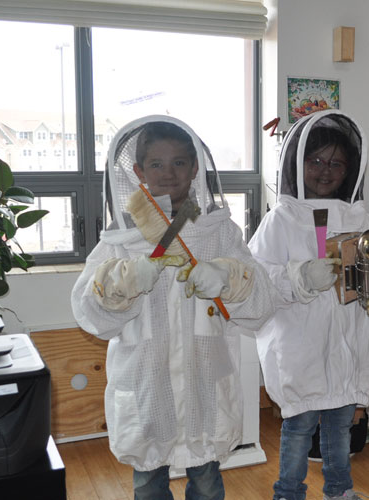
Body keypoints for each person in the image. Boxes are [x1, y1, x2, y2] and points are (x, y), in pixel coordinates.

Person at [70, 116, 275, 500]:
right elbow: (89, 313)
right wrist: (122, 281)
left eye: (179, 163)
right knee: (149, 483)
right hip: (148, 384)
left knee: (208, 481)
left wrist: (228, 277)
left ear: (195, 168)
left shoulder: (219, 231)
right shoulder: (123, 238)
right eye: (156, 164)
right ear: (137, 171)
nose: (169, 173)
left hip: (205, 380)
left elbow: (261, 303)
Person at [247, 110, 369, 500]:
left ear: (350, 169)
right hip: (301, 349)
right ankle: (288, 492)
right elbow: (255, 283)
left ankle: (339, 491)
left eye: (336, 163)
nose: (325, 171)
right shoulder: (280, 221)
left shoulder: (357, 216)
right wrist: (299, 277)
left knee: (340, 427)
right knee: (298, 429)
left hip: (348, 348)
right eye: (315, 161)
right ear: (298, 163)